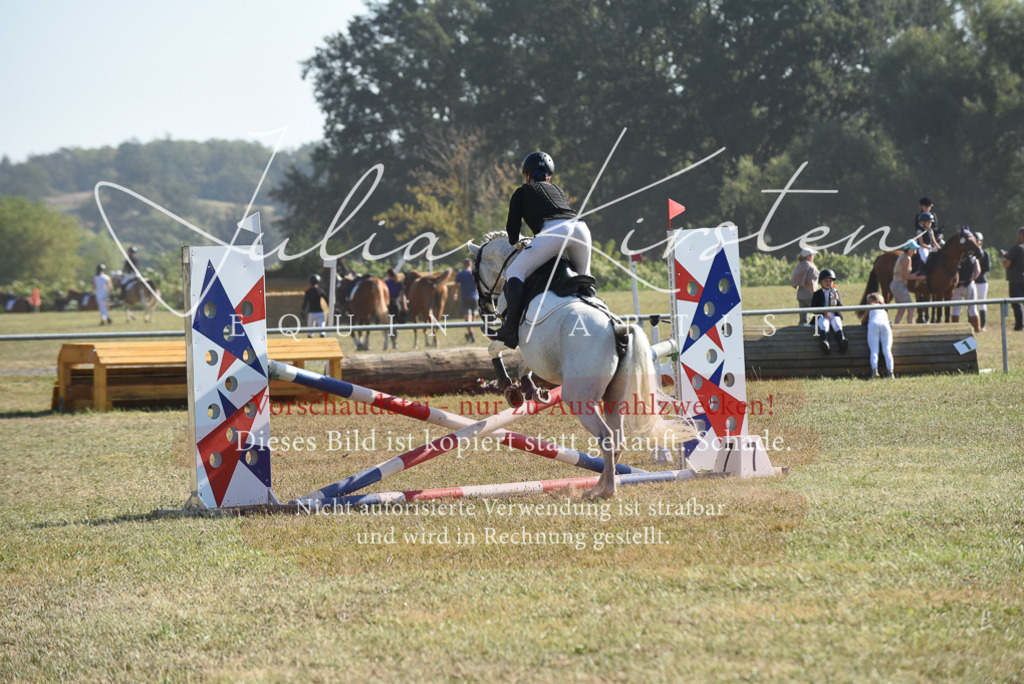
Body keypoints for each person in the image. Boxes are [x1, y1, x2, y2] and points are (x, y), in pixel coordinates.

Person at [492, 151, 592, 349]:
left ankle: (511, 328)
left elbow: (512, 227)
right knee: (585, 275)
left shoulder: (522, 191)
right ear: (549, 177)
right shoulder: (558, 190)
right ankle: (597, 316)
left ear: (527, 175)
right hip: (581, 229)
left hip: (554, 231)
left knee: (515, 272)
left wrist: (515, 242)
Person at [811, 269, 848, 354]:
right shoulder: (817, 294)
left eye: (830, 281)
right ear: (821, 282)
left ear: (833, 282)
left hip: (834, 315)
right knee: (824, 324)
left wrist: (837, 300)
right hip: (822, 316)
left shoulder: (836, 292)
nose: (828, 283)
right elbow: (813, 308)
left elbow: (840, 307)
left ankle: (842, 341)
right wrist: (823, 311)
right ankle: (825, 342)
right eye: (825, 281)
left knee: (837, 323)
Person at [950, 229, 981, 331]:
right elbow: (978, 271)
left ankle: (955, 328)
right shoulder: (972, 257)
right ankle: (977, 328)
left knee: (955, 309)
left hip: (958, 285)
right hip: (968, 285)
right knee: (972, 308)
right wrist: (972, 278)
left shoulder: (956, 258)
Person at [892, 240, 926, 325]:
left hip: (895, 284)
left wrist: (913, 275)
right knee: (911, 308)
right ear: (909, 249)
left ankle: (896, 326)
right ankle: (911, 328)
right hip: (899, 285)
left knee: (901, 309)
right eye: (913, 249)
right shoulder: (907, 258)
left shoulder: (902, 256)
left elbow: (903, 273)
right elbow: (906, 276)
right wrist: (919, 277)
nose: (915, 251)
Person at [864, 292, 894, 378]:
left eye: (869, 301)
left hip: (873, 324)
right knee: (887, 350)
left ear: (876, 301)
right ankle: (890, 372)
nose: (868, 303)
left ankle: (874, 371)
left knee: (874, 350)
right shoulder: (884, 309)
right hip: (885, 325)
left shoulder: (871, 307)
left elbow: (863, 321)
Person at [1001, 226, 1024, 331]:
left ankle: (1019, 326)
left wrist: (1004, 258)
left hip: (1016, 280)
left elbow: (1007, 264)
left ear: (1020, 235)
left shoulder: (1016, 248)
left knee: (1016, 304)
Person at [453, 258, 479, 343]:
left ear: (463, 265)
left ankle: (471, 334)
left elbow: (455, 286)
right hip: (475, 298)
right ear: (471, 265)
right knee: (473, 318)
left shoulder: (460, 274)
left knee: (467, 319)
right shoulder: (475, 274)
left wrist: (455, 294)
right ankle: (470, 334)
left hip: (465, 298)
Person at [790, 248, 818, 325]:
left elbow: (793, 281)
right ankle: (815, 330)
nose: (813, 257)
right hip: (810, 295)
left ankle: (800, 332)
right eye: (812, 255)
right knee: (819, 313)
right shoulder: (811, 266)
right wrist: (814, 294)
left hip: (800, 295)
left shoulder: (799, 265)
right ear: (808, 256)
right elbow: (810, 282)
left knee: (803, 319)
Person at [975, 232, 990, 331]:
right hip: (972, 281)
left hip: (981, 281)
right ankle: (973, 324)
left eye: (977, 241)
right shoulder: (970, 253)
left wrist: (978, 272)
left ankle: (983, 325)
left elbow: (987, 267)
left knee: (981, 303)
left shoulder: (984, 253)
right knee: (971, 304)